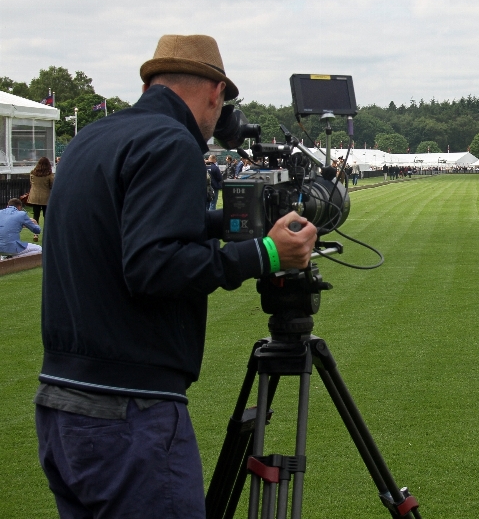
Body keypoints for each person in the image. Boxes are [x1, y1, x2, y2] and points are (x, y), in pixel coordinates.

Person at [34, 34, 317, 518]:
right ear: (215, 92)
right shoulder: (171, 141)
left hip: (61, 405)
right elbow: (154, 267)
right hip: (130, 412)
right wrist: (267, 253)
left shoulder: (93, 139)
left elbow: (127, 228)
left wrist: (232, 224)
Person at [27, 156, 55, 239]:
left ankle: (35, 234)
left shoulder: (33, 173)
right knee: (46, 216)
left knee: (36, 215)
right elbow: (52, 185)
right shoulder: (49, 175)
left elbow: (31, 183)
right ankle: (47, 234)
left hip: (35, 197)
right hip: (46, 197)